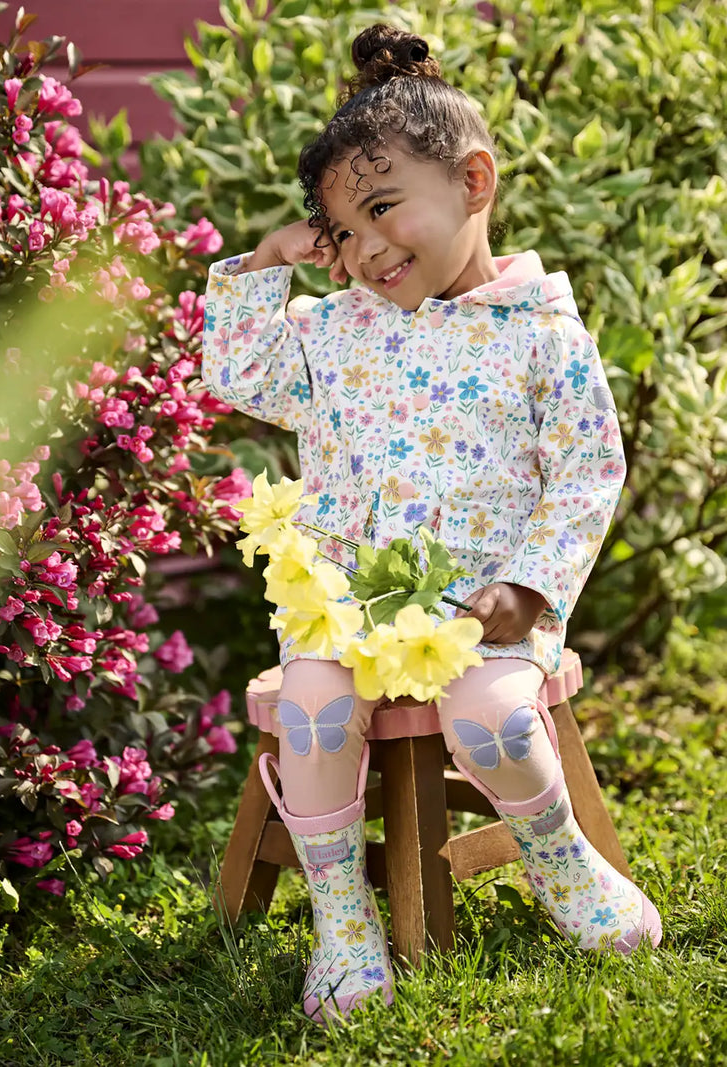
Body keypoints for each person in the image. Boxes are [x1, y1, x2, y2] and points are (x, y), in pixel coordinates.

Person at [202, 23, 661, 1024]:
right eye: (339, 232)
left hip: (481, 607)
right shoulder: (329, 329)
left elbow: (587, 468)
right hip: (345, 606)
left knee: (490, 718)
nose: (365, 251)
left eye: (381, 210)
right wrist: (275, 259)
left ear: (473, 182)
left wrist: (530, 586)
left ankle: (557, 861)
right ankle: (340, 917)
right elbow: (236, 375)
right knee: (319, 717)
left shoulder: (539, 331)